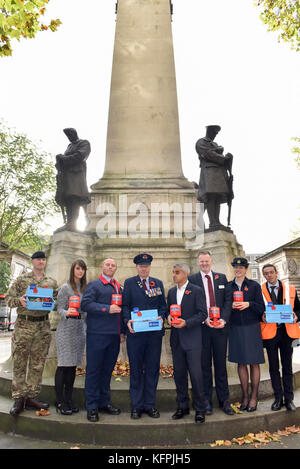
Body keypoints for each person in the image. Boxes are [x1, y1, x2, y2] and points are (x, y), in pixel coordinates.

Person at [6, 251, 58, 417]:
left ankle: (32, 396)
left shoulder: (50, 282)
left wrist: (53, 303)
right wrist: (19, 301)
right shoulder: (22, 280)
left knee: (38, 363)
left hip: (42, 326)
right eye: (38, 259)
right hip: (24, 325)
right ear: (32, 261)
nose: (41, 262)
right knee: (20, 362)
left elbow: (56, 303)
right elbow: (8, 298)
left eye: (43, 259)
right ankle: (19, 398)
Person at [122, 253, 166, 419]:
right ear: (137, 267)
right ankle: (136, 405)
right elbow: (125, 305)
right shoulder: (129, 283)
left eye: (146, 266)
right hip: (136, 334)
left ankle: (149, 405)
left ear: (149, 267)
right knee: (136, 370)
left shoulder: (158, 283)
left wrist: (162, 316)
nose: (144, 268)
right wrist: (127, 321)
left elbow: (163, 306)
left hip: (154, 335)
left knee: (152, 369)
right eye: (141, 266)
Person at [188, 251, 233, 416]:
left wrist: (224, 319)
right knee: (204, 367)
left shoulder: (221, 278)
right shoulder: (192, 280)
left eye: (207, 261)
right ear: (198, 262)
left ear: (211, 261)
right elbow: (191, 303)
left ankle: (224, 401)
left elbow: (228, 301)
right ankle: (206, 401)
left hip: (220, 329)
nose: (204, 264)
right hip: (203, 329)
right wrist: (203, 318)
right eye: (201, 261)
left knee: (221, 366)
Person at [81, 258, 126, 422]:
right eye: (107, 264)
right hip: (97, 335)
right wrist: (107, 309)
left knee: (107, 371)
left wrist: (122, 332)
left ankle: (104, 402)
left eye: (113, 265)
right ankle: (91, 406)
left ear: (115, 268)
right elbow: (85, 304)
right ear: (102, 267)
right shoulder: (94, 285)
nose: (110, 267)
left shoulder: (119, 287)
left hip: (114, 336)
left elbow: (121, 311)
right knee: (93, 371)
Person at [167, 263, 207, 424]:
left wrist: (187, 322)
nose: (174, 275)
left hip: (192, 340)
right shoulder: (171, 292)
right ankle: (182, 407)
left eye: (177, 272)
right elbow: (167, 310)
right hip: (177, 341)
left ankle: (200, 409)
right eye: (173, 272)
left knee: (196, 376)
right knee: (179, 375)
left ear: (185, 273)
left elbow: (203, 313)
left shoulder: (196, 290)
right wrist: (168, 317)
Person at [226, 257, 265, 412]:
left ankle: (254, 396)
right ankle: (245, 397)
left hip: (251, 327)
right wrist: (230, 305)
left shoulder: (254, 286)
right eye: (236, 267)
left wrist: (248, 304)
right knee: (241, 363)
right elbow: (224, 307)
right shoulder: (229, 287)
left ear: (246, 269)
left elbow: (261, 307)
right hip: (235, 327)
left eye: (241, 267)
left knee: (254, 363)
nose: (238, 270)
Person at [261, 264, 300, 412]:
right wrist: (262, 316)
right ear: (263, 275)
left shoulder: (290, 288)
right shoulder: (260, 290)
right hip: (270, 333)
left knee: (287, 367)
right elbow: (259, 310)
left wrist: (297, 316)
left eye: (271, 272)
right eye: (266, 273)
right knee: (273, 368)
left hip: (287, 333)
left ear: (276, 273)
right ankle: (278, 398)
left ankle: (289, 399)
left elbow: (298, 308)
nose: (269, 275)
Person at [55, 259, 88, 415]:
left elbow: (86, 311)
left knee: (73, 366)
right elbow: (59, 307)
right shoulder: (65, 288)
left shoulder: (85, 289)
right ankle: (60, 401)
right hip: (66, 330)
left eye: (82, 269)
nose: (80, 271)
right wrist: (65, 313)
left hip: (79, 331)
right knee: (63, 366)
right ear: (73, 270)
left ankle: (69, 399)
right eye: (78, 268)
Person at [195, 125, 233, 230]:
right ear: (209, 131)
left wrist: (226, 158)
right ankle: (213, 222)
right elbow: (208, 154)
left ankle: (217, 221)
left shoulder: (214, 144)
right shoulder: (201, 142)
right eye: (214, 132)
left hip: (219, 173)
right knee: (211, 196)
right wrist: (223, 158)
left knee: (217, 197)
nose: (215, 135)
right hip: (209, 172)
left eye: (216, 133)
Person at [55, 128, 91, 232]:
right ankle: (69, 223)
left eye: (70, 134)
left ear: (75, 133)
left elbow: (80, 156)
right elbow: (62, 163)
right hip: (67, 176)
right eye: (67, 135)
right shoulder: (69, 146)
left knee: (75, 197)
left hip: (77, 176)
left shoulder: (84, 143)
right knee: (68, 198)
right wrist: (59, 160)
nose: (69, 137)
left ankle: (72, 223)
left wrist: (64, 159)